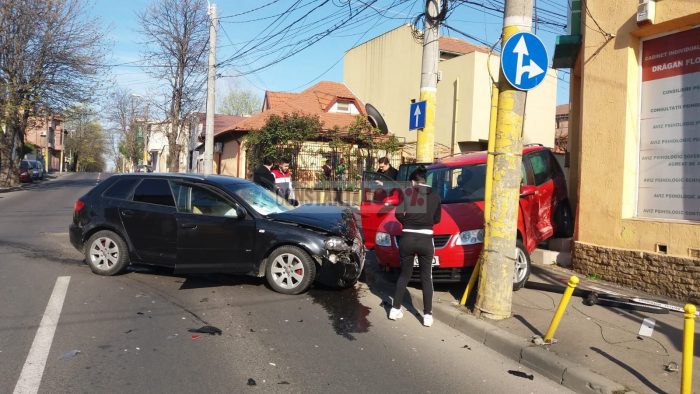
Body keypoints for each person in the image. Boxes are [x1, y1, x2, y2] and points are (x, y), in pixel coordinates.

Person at [389, 166, 442, 327]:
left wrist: (408, 223)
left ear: (413, 182)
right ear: (425, 181)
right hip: (426, 239)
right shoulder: (435, 194)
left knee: (404, 275)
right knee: (426, 277)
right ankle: (427, 315)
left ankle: (395, 309)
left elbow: (398, 214)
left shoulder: (408, 193)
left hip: (407, 239)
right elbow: (437, 218)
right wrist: (426, 223)